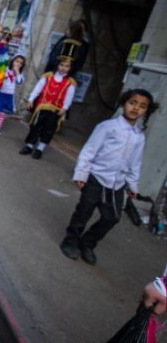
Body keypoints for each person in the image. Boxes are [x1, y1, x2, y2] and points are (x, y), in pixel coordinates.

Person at [59, 89, 156, 265]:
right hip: (96, 177)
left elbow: (135, 163)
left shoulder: (139, 137)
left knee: (112, 217)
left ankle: (87, 244)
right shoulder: (107, 127)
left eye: (142, 106)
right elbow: (89, 150)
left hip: (116, 185)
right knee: (84, 211)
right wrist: (81, 173)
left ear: (146, 112)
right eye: (132, 103)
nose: (136, 108)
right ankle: (71, 241)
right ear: (124, 103)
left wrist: (132, 187)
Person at [19, 58, 76, 159]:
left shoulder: (70, 82)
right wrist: (31, 99)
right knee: (36, 126)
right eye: (62, 65)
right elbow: (38, 88)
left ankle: (40, 148)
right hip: (42, 106)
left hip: (56, 110)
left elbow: (69, 96)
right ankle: (29, 145)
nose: (63, 68)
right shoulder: (48, 76)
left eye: (67, 66)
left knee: (49, 129)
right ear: (57, 65)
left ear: (70, 68)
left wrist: (65, 108)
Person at [0, 54, 25, 136]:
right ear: (12, 61)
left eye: (20, 63)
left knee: (3, 113)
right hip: (0, 92)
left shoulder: (20, 75)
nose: (18, 64)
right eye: (17, 61)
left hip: (9, 95)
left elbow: (19, 82)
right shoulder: (5, 69)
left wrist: (17, 72)